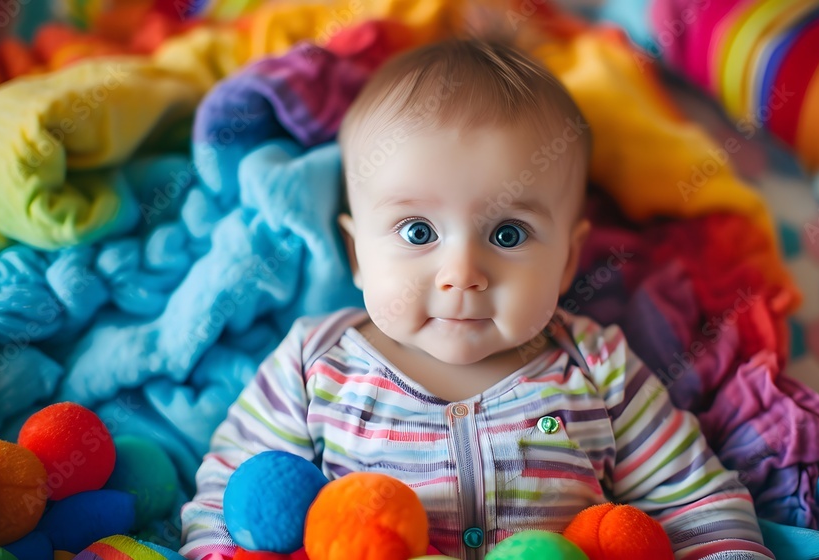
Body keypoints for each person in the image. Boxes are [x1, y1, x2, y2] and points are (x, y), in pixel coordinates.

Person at [180, 38, 775, 560]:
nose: (462, 274)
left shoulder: (597, 367)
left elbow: (695, 501)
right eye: (418, 232)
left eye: (507, 234)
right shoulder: (314, 364)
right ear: (357, 255)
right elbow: (234, 494)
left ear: (568, 260)